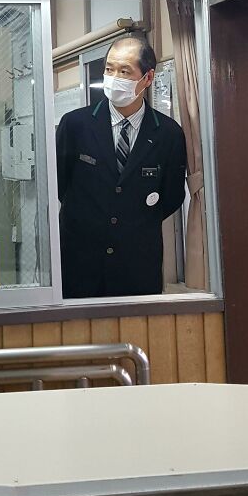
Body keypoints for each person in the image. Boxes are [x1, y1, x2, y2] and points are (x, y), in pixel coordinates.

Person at [56, 35, 187, 298]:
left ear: (148, 78)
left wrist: (131, 220)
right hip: (80, 264)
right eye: (109, 69)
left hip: (137, 265)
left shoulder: (168, 133)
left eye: (125, 71)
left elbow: (172, 196)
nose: (114, 77)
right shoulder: (75, 125)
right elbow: (59, 186)